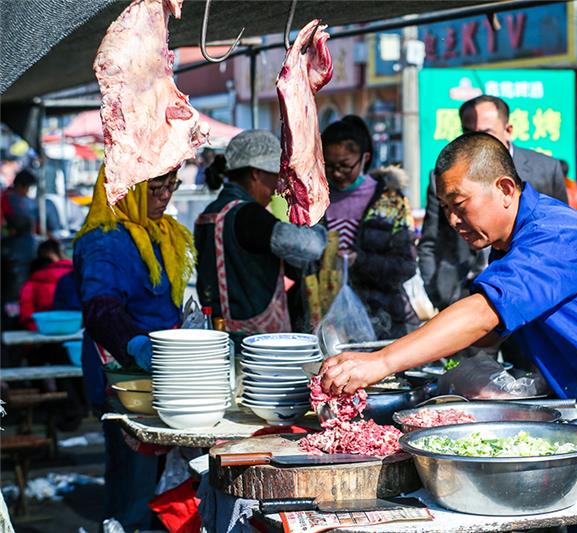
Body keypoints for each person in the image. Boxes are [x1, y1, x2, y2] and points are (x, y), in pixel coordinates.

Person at [319, 133, 577, 533]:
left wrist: (383, 361)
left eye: (459, 205)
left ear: (504, 189)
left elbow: (483, 315)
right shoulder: (510, 244)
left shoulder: (555, 234)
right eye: (445, 208)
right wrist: (435, 357)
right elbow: (488, 331)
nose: (453, 220)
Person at [73, 167, 194, 530]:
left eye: (171, 185)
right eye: (155, 188)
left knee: (164, 486)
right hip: (125, 379)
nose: (165, 196)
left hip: (162, 376)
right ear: (124, 190)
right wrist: (138, 346)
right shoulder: (104, 240)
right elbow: (100, 308)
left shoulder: (161, 231)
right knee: (135, 490)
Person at [418, 95, 567, 312]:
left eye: (485, 132)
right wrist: (438, 292)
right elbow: (430, 241)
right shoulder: (443, 179)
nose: (454, 219)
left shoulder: (545, 169)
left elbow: (559, 237)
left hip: (527, 296)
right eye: (468, 132)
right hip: (461, 294)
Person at [195, 130, 327, 338]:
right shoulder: (249, 215)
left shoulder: (209, 214)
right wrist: (318, 223)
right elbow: (311, 247)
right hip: (256, 340)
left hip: (216, 334)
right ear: (256, 174)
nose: (277, 187)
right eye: (275, 175)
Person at [321, 115, 418, 339]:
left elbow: (406, 266)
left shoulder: (391, 201)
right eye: (330, 166)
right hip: (326, 319)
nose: (337, 173)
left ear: (364, 158)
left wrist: (360, 260)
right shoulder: (316, 200)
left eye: (345, 165)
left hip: (381, 319)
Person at [1, 169, 39, 307]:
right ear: (22, 185)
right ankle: (13, 314)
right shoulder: (10, 198)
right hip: (15, 253)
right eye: (27, 188)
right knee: (15, 292)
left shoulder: (15, 198)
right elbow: (17, 223)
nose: (27, 192)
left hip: (19, 251)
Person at [18, 239, 73, 331]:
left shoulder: (32, 281)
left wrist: (38, 330)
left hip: (42, 330)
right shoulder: (78, 274)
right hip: (75, 328)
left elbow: (26, 313)